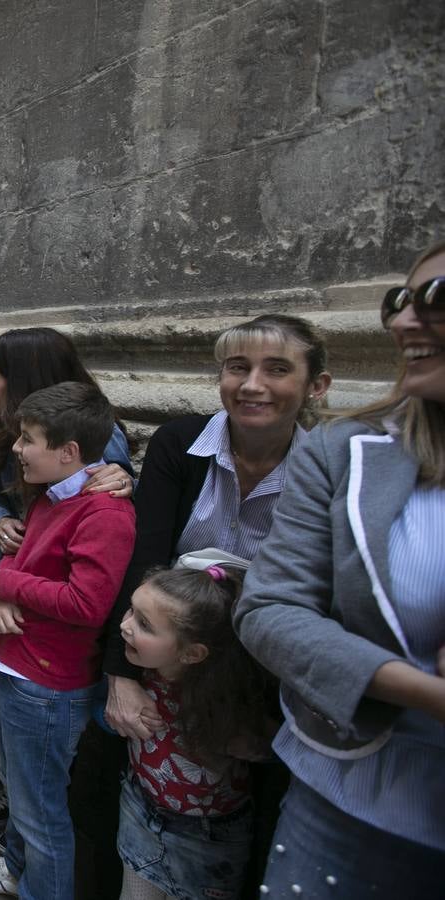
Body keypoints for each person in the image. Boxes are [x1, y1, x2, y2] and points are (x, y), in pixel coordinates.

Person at [235, 242, 445, 898]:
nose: (405, 321)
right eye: (398, 302)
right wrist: (425, 693)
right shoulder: (342, 453)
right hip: (358, 800)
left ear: (315, 385)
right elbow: (267, 609)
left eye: (436, 298)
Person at [96, 314, 332, 894]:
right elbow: (144, 555)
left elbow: (317, 595)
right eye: (237, 367)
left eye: (277, 369)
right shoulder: (181, 443)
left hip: (260, 683)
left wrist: (271, 720)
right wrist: (121, 674)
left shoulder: (327, 468)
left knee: (232, 831)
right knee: (139, 801)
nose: (252, 384)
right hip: (164, 663)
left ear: (315, 386)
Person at [0, 327, 136, 836]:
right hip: (11, 582)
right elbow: (8, 493)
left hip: (44, 633)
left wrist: (6, 586)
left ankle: (20, 818)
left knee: (39, 776)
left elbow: (95, 538)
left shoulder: (90, 446)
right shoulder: (18, 434)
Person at [117, 564, 273, 900]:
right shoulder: (144, 674)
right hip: (138, 808)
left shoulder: (228, 703)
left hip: (206, 840)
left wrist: (252, 744)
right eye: (131, 609)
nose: (124, 625)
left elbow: (270, 746)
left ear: (192, 653)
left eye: (144, 624)